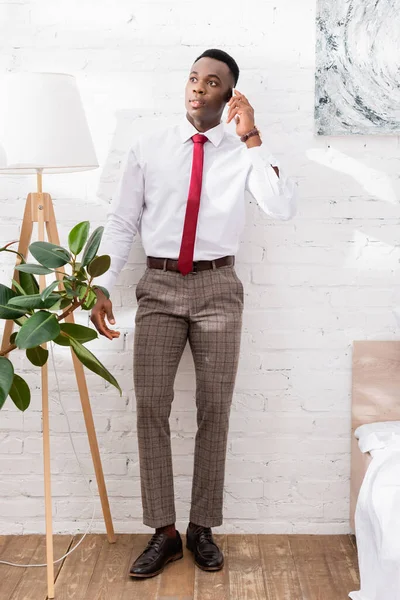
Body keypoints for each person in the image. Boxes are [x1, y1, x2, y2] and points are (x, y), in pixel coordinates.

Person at [91, 48, 297, 579]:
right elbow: (121, 222)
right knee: (151, 409)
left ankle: (202, 527)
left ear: (230, 95)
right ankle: (164, 531)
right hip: (158, 287)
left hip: (218, 290)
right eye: (193, 78)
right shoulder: (150, 145)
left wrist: (252, 137)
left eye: (212, 82)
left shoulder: (240, 151)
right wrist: (101, 285)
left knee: (215, 411)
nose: (198, 88)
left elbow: (280, 206)